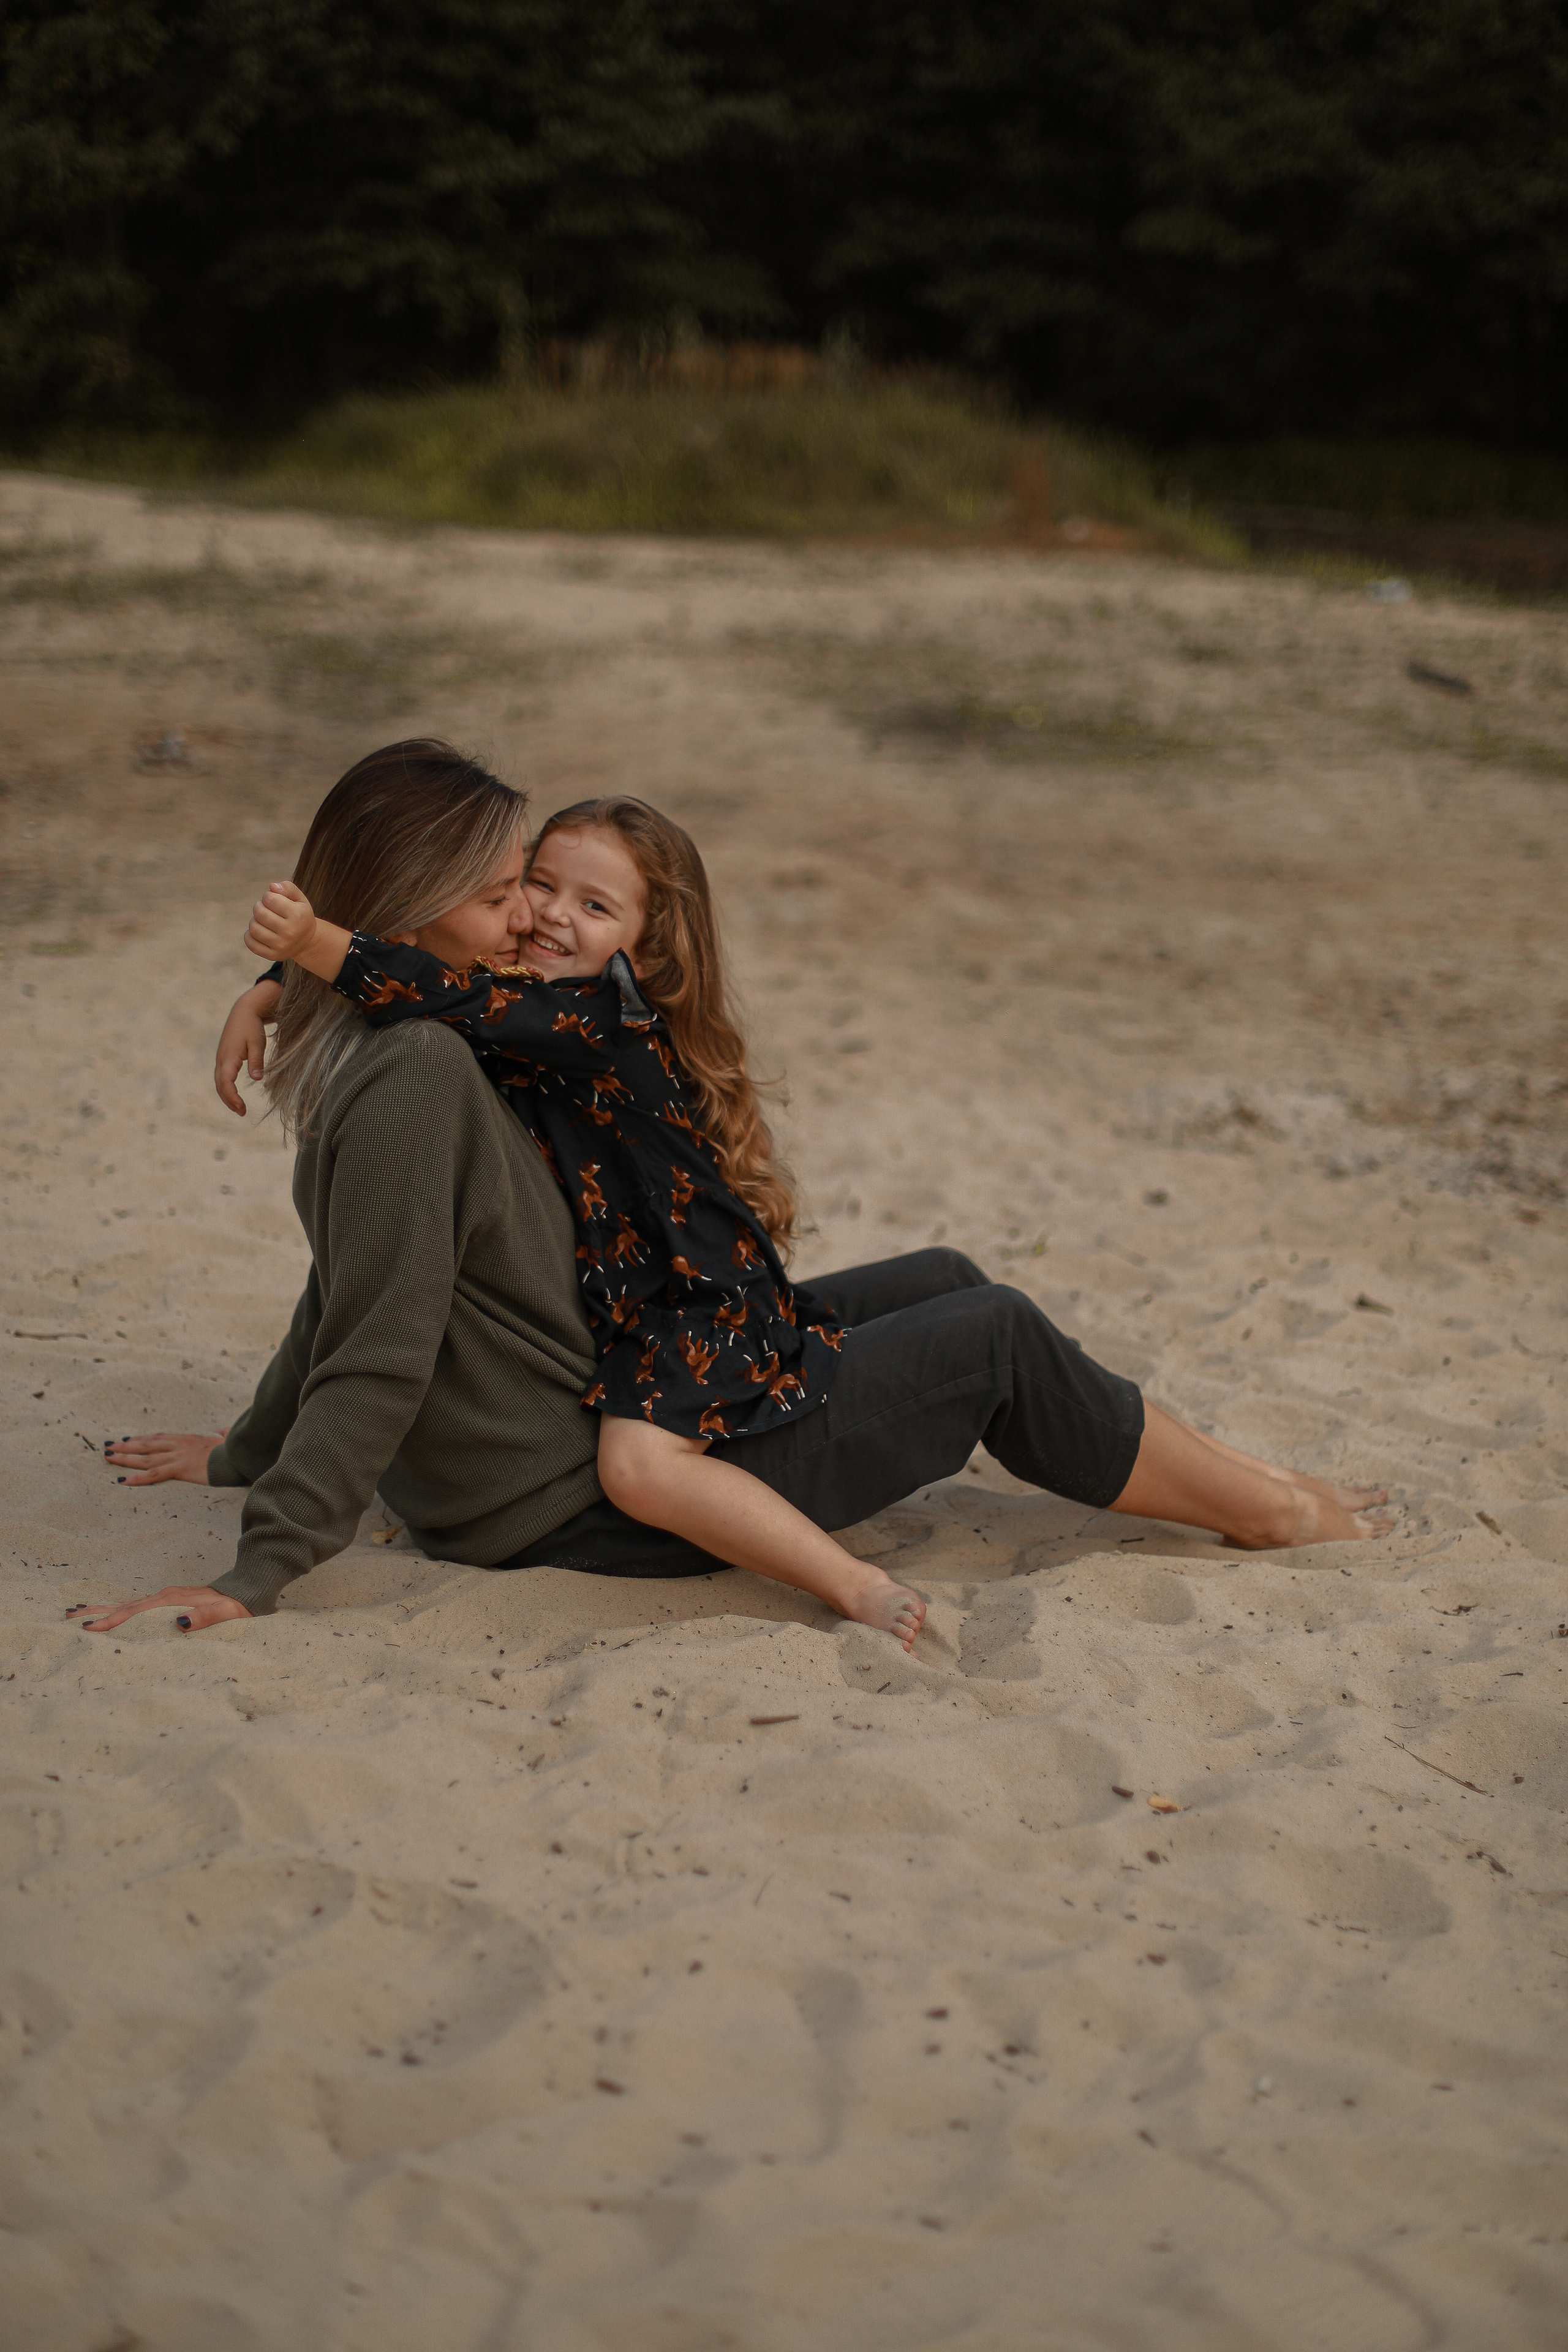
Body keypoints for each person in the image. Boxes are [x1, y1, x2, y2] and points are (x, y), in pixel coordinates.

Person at [74, 739, 1393, 1642]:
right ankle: (1266, 1511)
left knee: (944, 1283)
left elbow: (350, 1262)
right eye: (500, 892)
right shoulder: (422, 1065)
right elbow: (372, 1325)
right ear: (410, 913)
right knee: (988, 1345)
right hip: (571, 1489)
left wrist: (248, 1446)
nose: (523, 919)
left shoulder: (438, 1034)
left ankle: (1241, 1471)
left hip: (604, 1366)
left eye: (535, 887)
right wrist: (259, 1565)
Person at [243, 794, 928, 1648]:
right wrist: (270, 990)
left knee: (639, 1468)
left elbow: (435, 989)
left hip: (687, 1298)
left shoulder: (597, 1017)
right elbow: (436, 980)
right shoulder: (521, 998)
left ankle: (850, 1582)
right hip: (636, 1298)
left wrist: (308, 944)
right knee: (941, 1288)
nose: (552, 915)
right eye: (538, 884)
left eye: (595, 906)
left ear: (646, 946)